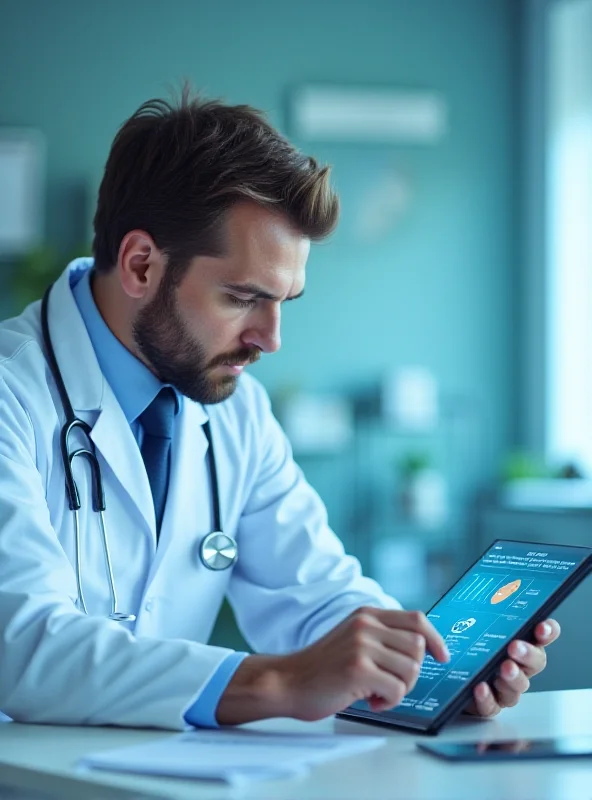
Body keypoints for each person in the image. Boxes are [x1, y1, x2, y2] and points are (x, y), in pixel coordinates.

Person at [0, 89, 559, 730]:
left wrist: (426, 668)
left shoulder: (236, 411)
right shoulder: (12, 395)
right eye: (243, 298)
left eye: (284, 300)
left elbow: (315, 594)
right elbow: (22, 646)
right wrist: (281, 681)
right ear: (141, 263)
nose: (271, 338)